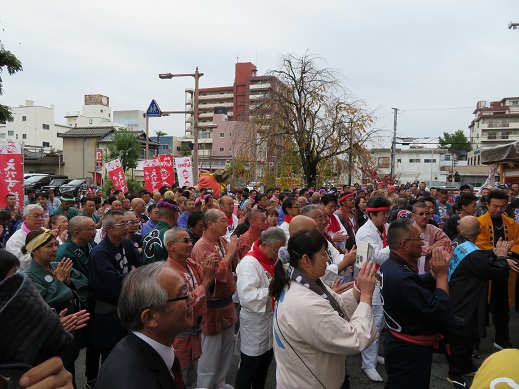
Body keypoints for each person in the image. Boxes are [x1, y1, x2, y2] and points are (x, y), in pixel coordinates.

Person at [270, 229, 378, 389]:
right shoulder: (304, 302)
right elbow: (355, 339)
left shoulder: (298, 281)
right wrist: (367, 295)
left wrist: (360, 287)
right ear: (306, 260)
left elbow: (336, 304)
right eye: (324, 254)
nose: (328, 258)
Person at [380, 218, 462, 389]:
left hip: (401, 345)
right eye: (419, 239)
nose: (423, 243)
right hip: (408, 351)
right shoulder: (400, 275)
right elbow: (440, 311)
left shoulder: (390, 264)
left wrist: (433, 272)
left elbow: (414, 287)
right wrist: (441, 275)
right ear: (404, 244)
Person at [94, 262, 192, 389]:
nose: (190, 299)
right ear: (150, 318)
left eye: (186, 290)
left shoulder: (142, 346)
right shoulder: (135, 382)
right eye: (182, 295)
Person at [445, 216, 510, 388]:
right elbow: (498, 272)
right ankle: (455, 374)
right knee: (461, 339)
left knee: (467, 337)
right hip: (465, 302)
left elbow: (478, 256)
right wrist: (502, 257)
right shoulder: (474, 256)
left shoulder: (457, 241)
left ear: (459, 229)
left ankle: (465, 366)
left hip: (456, 296)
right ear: (480, 231)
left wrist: (493, 253)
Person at [22, 229, 90, 386]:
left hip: (71, 328)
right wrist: (58, 283)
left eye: (55, 245)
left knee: (69, 368)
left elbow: (84, 282)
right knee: (56, 373)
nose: (54, 249)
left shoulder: (57, 266)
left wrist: (68, 283)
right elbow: (41, 303)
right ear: (35, 250)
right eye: (49, 246)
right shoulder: (28, 276)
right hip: (50, 335)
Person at [191, 209, 240, 389]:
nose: (226, 223)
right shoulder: (201, 246)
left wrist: (234, 250)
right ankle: (205, 386)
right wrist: (229, 254)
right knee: (209, 355)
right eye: (221, 220)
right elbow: (212, 275)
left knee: (226, 350)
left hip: (226, 304)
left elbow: (233, 264)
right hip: (211, 307)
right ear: (210, 224)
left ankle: (219, 383)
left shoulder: (221, 240)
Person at [163, 228, 217, 389]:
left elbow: (205, 282)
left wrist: (209, 271)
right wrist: (207, 280)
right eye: (185, 241)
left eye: (190, 240)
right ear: (170, 246)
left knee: (192, 379)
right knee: (179, 378)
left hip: (194, 332)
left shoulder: (190, 263)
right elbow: (186, 303)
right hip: (179, 337)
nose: (190, 244)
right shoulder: (169, 273)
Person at [235, 228, 286, 389]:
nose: (277, 256)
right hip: (255, 323)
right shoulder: (249, 263)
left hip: (269, 320)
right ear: (264, 245)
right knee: (249, 367)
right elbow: (247, 297)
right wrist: (274, 288)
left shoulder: (270, 259)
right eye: (276, 251)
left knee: (264, 366)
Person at [87, 210, 140, 363]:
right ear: (108, 229)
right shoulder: (99, 253)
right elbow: (113, 284)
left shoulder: (127, 244)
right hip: (108, 312)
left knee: (128, 354)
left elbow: (140, 267)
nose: (126, 227)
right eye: (121, 224)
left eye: (127, 223)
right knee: (111, 356)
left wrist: (132, 274)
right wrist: (131, 274)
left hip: (127, 307)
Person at [475, 189, 519, 350]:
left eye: (502, 206)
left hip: (504, 272)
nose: (498, 209)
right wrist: (502, 255)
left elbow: (517, 243)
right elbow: (480, 245)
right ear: (487, 204)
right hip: (485, 271)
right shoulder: (478, 223)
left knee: (503, 308)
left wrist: (507, 254)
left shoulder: (512, 223)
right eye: (495, 206)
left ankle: (502, 339)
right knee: (479, 308)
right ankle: (474, 343)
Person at [354, 196, 392, 382]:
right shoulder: (364, 232)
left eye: (387, 212)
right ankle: (367, 364)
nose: (387, 216)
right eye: (384, 213)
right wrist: (395, 244)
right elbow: (376, 257)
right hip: (371, 280)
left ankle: (372, 353)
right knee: (373, 322)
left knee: (380, 321)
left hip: (383, 279)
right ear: (372, 214)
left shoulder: (384, 227)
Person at [411, 201, 450, 274]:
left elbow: (447, 243)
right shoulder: (408, 229)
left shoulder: (432, 228)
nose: (425, 217)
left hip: (431, 269)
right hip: (413, 269)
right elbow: (413, 249)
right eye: (421, 214)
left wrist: (433, 248)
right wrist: (434, 246)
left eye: (427, 213)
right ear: (413, 215)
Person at [6, 204, 45, 270]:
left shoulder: (47, 232)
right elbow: (21, 262)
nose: (40, 219)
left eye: (42, 216)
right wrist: (44, 253)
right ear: (24, 218)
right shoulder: (15, 240)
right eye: (36, 216)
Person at [142, 200, 180, 264]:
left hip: (147, 272)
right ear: (176, 215)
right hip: (165, 272)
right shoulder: (172, 236)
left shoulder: (148, 234)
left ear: (158, 215)